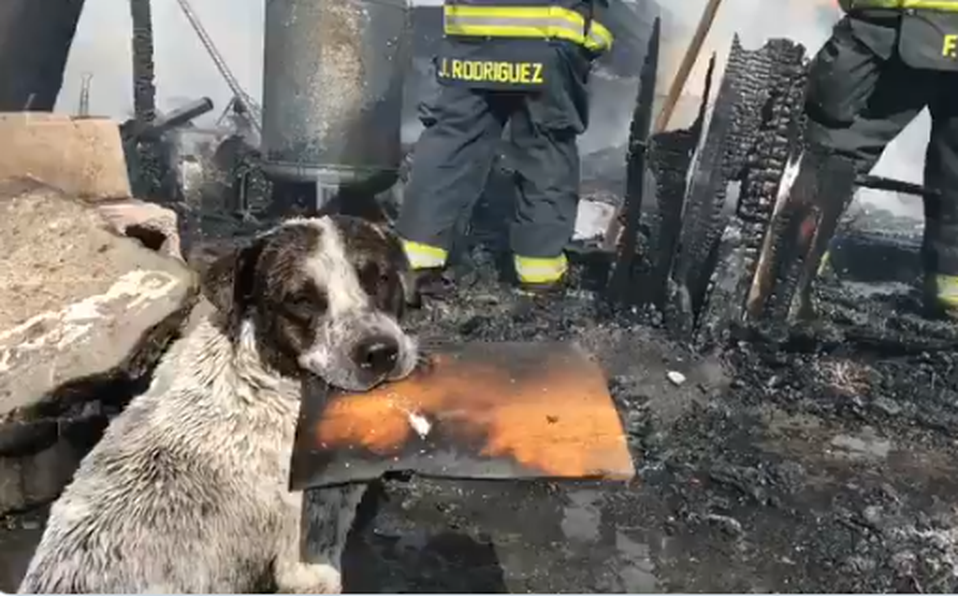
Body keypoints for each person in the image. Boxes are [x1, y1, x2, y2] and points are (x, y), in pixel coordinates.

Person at [396, 0, 613, 298]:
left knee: (451, 143)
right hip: (548, 41)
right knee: (546, 148)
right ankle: (540, 274)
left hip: (469, 41)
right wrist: (592, 40)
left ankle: (417, 260)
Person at [764, 0, 958, 320]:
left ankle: (786, 271)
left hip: (889, 28)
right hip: (897, 27)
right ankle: (952, 285)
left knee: (834, 147)